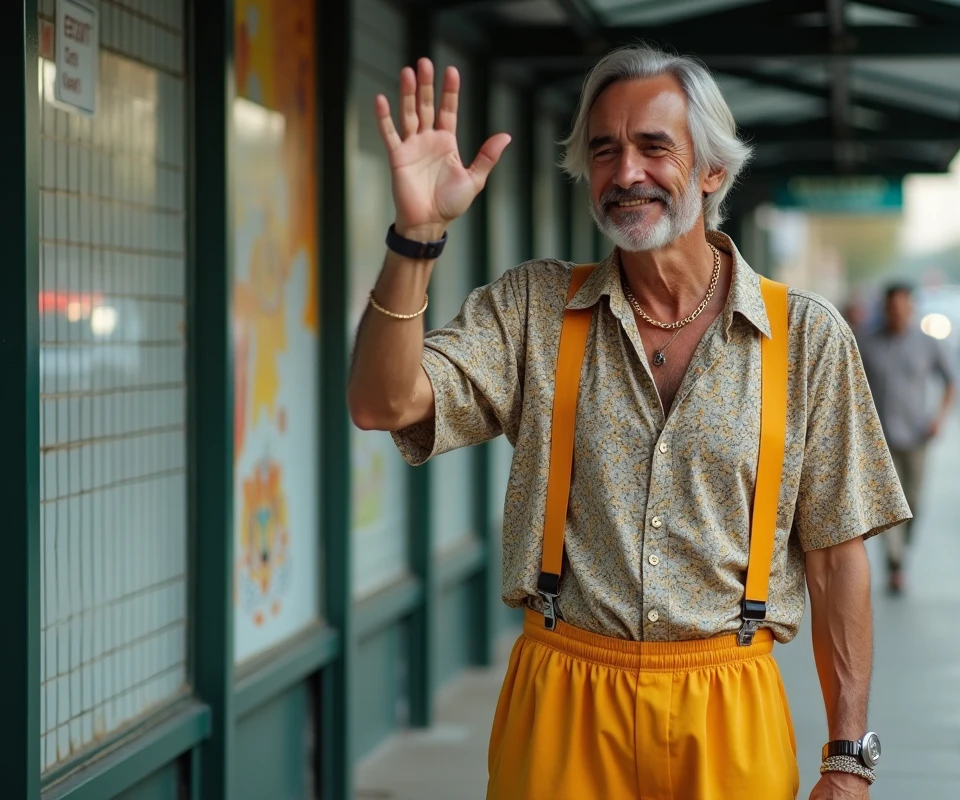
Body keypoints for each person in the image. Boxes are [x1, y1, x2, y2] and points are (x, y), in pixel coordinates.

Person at [347, 46, 910, 800]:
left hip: (728, 704)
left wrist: (847, 759)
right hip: (562, 701)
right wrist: (415, 238)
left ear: (711, 170)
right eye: (604, 150)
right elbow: (381, 402)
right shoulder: (533, 311)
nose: (626, 172)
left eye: (654, 146)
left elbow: (838, 562)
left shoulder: (806, 338)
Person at [857, 282, 955, 594]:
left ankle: (903, 551)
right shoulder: (866, 342)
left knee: (913, 503)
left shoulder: (928, 344)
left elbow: (952, 381)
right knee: (888, 507)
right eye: (892, 308)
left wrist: (939, 418)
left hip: (916, 437)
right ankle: (896, 563)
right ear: (884, 310)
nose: (897, 314)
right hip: (878, 442)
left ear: (911, 308)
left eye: (903, 307)